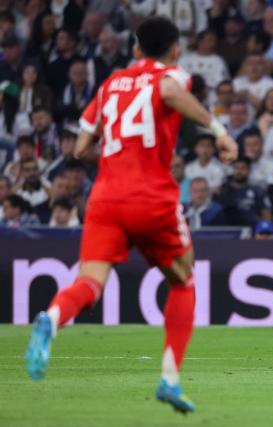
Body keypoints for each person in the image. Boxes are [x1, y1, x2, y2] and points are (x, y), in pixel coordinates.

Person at [24, 17, 238, 414]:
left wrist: (114, 155)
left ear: (136, 49)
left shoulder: (108, 84)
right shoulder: (171, 74)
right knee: (184, 280)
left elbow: (81, 146)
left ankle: (51, 319)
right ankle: (170, 379)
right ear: (174, 50)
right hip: (151, 196)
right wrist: (220, 131)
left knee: (90, 282)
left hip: (105, 197)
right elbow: (170, 91)